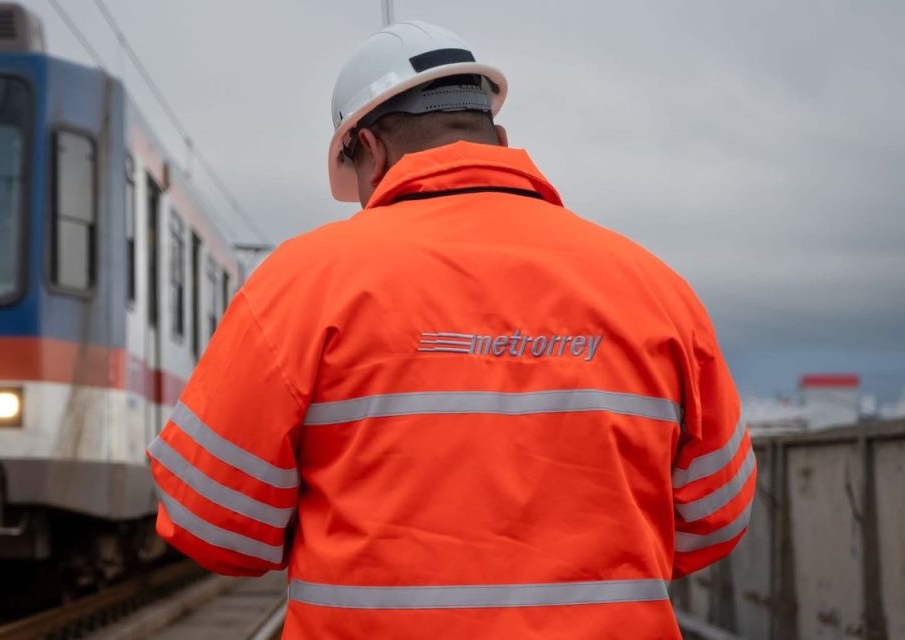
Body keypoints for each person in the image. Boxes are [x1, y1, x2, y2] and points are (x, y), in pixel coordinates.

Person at [148, 21, 754, 638]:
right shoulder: (656, 289)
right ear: (499, 139)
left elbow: (210, 522)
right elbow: (717, 517)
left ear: (370, 151)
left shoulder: (300, 284)